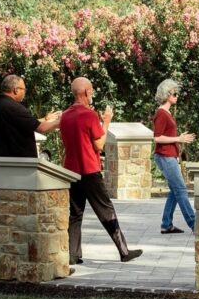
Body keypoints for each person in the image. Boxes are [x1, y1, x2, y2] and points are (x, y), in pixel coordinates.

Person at [0, 75, 61, 253]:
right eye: (23, 89)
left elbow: (26, 123)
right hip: (17, 164)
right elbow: (40, 128)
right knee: (17, 203)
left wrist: (45, 118)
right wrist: (60, 122)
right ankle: (13, 241)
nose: (24, 93)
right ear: (15, 90)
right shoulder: (14, 107)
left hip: (1, 162)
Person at [60, 77, 142, 264]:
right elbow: (99, 144)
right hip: (89, 170)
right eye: (92, 90)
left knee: (75, 214)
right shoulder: (88, 115)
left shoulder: (65, 115)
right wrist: (106, 121)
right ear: (87, 92)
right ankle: (123, 251)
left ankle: (73, 255)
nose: (93, 93)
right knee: (107, 211)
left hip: (71, 171)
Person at [152, 79, 195, 234]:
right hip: (164, 156)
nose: (177, 96)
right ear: (167, 94)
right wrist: (178, 139)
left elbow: (166, 135)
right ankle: (194, 224)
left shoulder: (167, 112)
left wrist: (179, 139)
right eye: (174, 93)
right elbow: (157, 138)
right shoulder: (161, 113)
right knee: (181, 190)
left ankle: (166, 224)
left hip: (169, 156)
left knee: (174, 191)